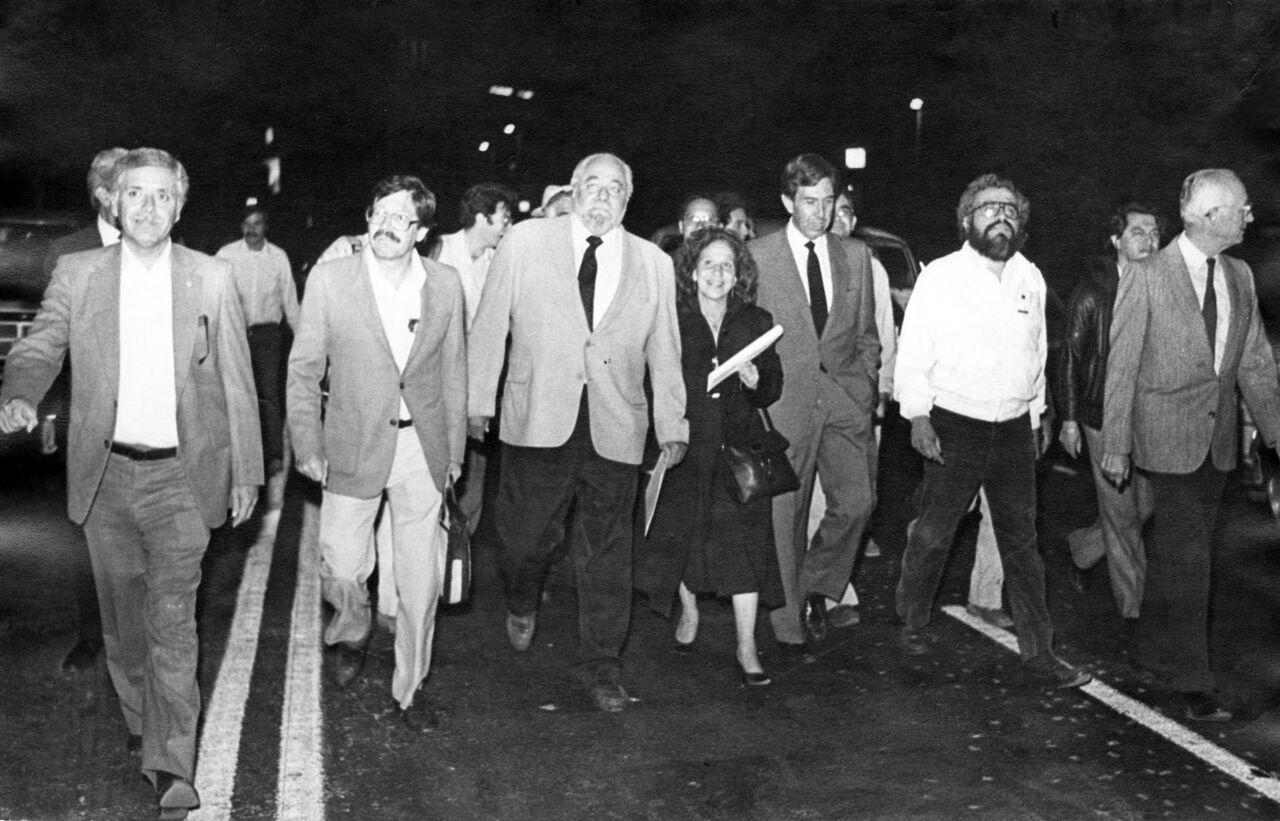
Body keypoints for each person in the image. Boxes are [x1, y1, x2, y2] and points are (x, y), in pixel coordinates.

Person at [1, 147, 262, 819]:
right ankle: (144, 719)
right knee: (123, 627)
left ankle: (171, 764)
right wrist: (20, 391)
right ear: (113, 203)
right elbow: (41, 343)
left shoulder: (211, 277)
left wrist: (247, 471)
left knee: (172, 619)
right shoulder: (79, 272)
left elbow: (238, 379)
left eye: (162, 195)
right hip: (107, 475)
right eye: (136, 194)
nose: (148, 207)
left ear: (180, 206)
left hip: (183, 476)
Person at [468, 152, 688, 713]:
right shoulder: (524, 242)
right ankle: (522, 596)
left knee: (607, 553)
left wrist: (672, 423)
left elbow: (666, 349)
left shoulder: (653, 263)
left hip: (616, 423)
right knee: (522, 540)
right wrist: (476, 402)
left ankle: (602, 665)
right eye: (593, 185)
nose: (602, 197)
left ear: (628, 201)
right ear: (573, 189)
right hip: (537, 418)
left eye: (615, 189)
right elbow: (490, 323)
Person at [894, 172, 1090, 689]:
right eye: (989, 208)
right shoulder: (941, 276)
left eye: (1010, 209)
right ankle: (912, 621)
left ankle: (1039, 652)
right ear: (967, 220)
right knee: (933, 534)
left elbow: (1037, 353)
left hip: (1012, 430)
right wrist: (917, 415)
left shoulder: (1030, 276)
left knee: (1022, 544)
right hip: (953, 423)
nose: (1000, 216)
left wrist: (1037, 413)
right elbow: (913, 352)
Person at [287, 174, 466, 731]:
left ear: (422, 231)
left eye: (400, 217)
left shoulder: (445, 284)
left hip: (421, 446)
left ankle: (410, 689)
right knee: (343, 566)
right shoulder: (331, 280)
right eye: (379, 214)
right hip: (352, 443)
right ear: (368, 219)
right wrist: (306, 443)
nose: (387, 226)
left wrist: (454, 452)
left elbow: (454, 373)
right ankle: (355, 625)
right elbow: (303, 370)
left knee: (420, 581)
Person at [1102, 169, 1280, 721]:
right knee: (1189, 556)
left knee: (1180, 550)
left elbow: (1254, 361)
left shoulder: (1240, 274)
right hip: (1164, 434)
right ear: (1208, 216)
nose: (1249, 216)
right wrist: (1115, 442)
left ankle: (1152, 650)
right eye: (1240, 208)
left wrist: (1276, 432)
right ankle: (1191, 681)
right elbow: (1122, 364)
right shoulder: (1147, 275)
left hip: (1217, 439)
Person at [636, 227, 785, 686]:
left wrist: (756, 381)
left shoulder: (756, 320)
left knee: (745, 546)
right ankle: (689, 610)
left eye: (727, 266)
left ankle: (746, 645)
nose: (717, 274)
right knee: (685, 537)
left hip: (738, 449)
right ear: (692, 272)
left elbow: (772, 388)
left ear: (738, 275)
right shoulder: (673, 318)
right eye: (708, 265)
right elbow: (654, 381)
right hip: (688, 443)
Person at [749, 153, 879, 658]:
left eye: (827, 201)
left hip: (845, 398)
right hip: (786, 402)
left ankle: (814, 586)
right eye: (809, 202)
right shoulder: (759, 255)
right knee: (787, 514)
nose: (820, 213)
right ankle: (789, 625)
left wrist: (865, 385)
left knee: (857, 502)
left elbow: (866, 334)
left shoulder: (856, 255)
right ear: (788, 202)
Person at [40, 146, 127, 675]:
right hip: (82, 413)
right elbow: (52, 343)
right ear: (102, 194)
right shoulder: (65, 253)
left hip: (146, 415)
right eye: (128, 187)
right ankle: (92, 634)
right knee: (83, 526)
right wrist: (51, 415)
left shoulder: (166, 246)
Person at [1059, 202, 1161, 618]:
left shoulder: (1162, 288)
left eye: (1155, 233)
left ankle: (1083, 549)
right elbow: (1071, 358)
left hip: (1147, 417)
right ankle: (1135, 608)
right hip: (1100, 414)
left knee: (1145, 505)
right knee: (1122, 515)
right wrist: (1069, 419)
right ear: (1116, 240)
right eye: (1138, 232)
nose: (1149, 241)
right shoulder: (1094, 292)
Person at [216, 204, 299, 502]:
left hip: (267, 335)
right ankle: (236, 457)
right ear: (241, 226)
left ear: (266, 226)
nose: (252, 229)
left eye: (258, 223)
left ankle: (272, 456)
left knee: (268, 395)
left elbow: (290, 301)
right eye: (247, 224)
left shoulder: (278, 257)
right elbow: (212, 297)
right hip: (234, 334)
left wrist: (304, 342)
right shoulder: (226, 255)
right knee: (235, 396)